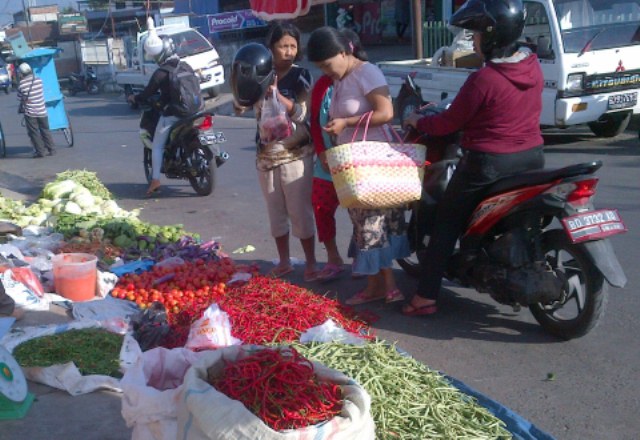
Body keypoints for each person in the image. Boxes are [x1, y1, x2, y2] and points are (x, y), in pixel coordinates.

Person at [402, 0, 545, 316]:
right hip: (533, 159)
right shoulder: (532, 66)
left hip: (488, 165)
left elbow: (447, 124)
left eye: (476, 34)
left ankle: (425, 297)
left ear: (492, 35)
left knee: (445, 222)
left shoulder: (484, 80)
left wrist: (417, 121)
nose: (473, 40)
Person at [307, 27, 409, 305]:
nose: (326, 72)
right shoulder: (341, 78)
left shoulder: (367, 72)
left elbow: (387, 113)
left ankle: (387, 286)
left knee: (372, 224)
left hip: (373, 163)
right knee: (364, 223)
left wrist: (347, 123)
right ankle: (377, 284)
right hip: (353, 165)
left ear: (344, 51)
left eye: (328, 65)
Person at [236, 22, 319, 282]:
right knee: (275, 212)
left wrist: (279, 97)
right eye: (283, 46)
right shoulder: (258, 73)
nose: (288, 51)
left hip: (296, 154)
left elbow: (303, 113)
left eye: (293, 46)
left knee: (300, 210)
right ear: (270, 48)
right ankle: (283, 261)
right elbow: (242, 105)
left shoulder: (301, 75)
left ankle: (311, 262)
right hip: (266, 156)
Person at [128, 36, 198, 196]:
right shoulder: (186, 66)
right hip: (196, 109)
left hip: (176, 114)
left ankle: (155, 180)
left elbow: (147, 93)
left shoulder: (161, 73)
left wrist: (134, 98)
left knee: (157, 146)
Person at [309, 74, 346, 281]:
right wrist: (322, 152)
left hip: (353, 160)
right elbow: (315, 121)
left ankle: (362, 256)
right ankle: (333, 257)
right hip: (326, 161)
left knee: (357, 212)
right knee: (321, 206)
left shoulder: (359, 79)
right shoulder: (322, 83)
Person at [16, 63, 56, 158]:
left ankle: (40, 152)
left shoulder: (22, 84)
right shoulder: (38, 80)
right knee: (45, 130)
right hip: (42, 110)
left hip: (31, 113)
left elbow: (19, 97)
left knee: (34, 132)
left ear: (21, 73)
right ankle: (52, 149)